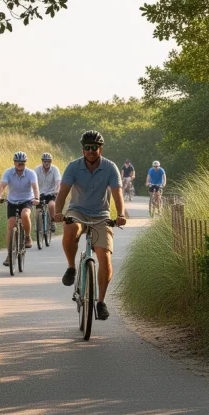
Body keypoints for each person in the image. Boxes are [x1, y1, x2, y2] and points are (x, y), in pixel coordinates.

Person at [54, 130, 126, 320]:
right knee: (71, 229)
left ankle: (101, 302)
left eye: (94, 147)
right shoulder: (73, 167)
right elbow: (62, 192)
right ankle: (71, 267)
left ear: (100, 148)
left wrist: (120, 215)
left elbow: (117, 194)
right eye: (87, 148)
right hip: (77, 211)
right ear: (83, 149)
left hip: (101, 215)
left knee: (105, 258)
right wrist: (58, 212)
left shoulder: (110, 167)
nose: (91, 151)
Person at [0, 151, 39, 266]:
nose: (20, 165)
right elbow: (2, 186)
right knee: (10, 225)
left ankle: (28, 237)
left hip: (26, 201)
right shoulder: (8, 172)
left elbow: (35, 187)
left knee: (25, 215)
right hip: (12, 201)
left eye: (23, 163)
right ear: (14, 163)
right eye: (18, 163)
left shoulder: (31, 173)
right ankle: (9, 255)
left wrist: (37, 198)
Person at [34, 152, 61, 233]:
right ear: (42, 161)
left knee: (51, 205)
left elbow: (58, 181)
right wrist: (33, 193)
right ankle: (38, 225)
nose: (46, 163)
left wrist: (56, 190)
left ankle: (52, 222)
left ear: (51, 162)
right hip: (40, 193)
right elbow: (33, 182)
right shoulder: (37, 169)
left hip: (51, 193)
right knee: (38, 210)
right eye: (45, 161)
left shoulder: (55, 169)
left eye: (48, 161)